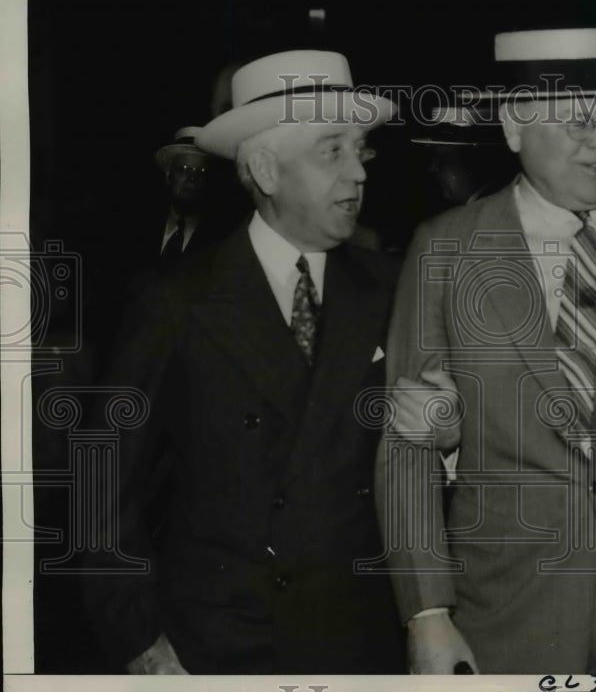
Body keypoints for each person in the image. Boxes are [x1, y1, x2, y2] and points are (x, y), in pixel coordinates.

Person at [377, 28, 596, 674]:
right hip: (505, 606)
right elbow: (407, 450)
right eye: (576, 122)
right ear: (514, 126)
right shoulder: (444, 248)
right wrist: (427, 613)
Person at [83, 50, 405, 674]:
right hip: (218, 643)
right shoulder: (178, 298)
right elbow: (101, 474)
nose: (358, 172)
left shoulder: (392, 286)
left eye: (359, 148)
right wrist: (138, 640)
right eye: (331, 150)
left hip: (362, 641)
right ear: (265, 168)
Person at [150, 127, 230, 266]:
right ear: (168, 176)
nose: (192, 178)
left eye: (202, 171)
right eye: (184, 169)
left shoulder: (223, 238)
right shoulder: (140, 225)